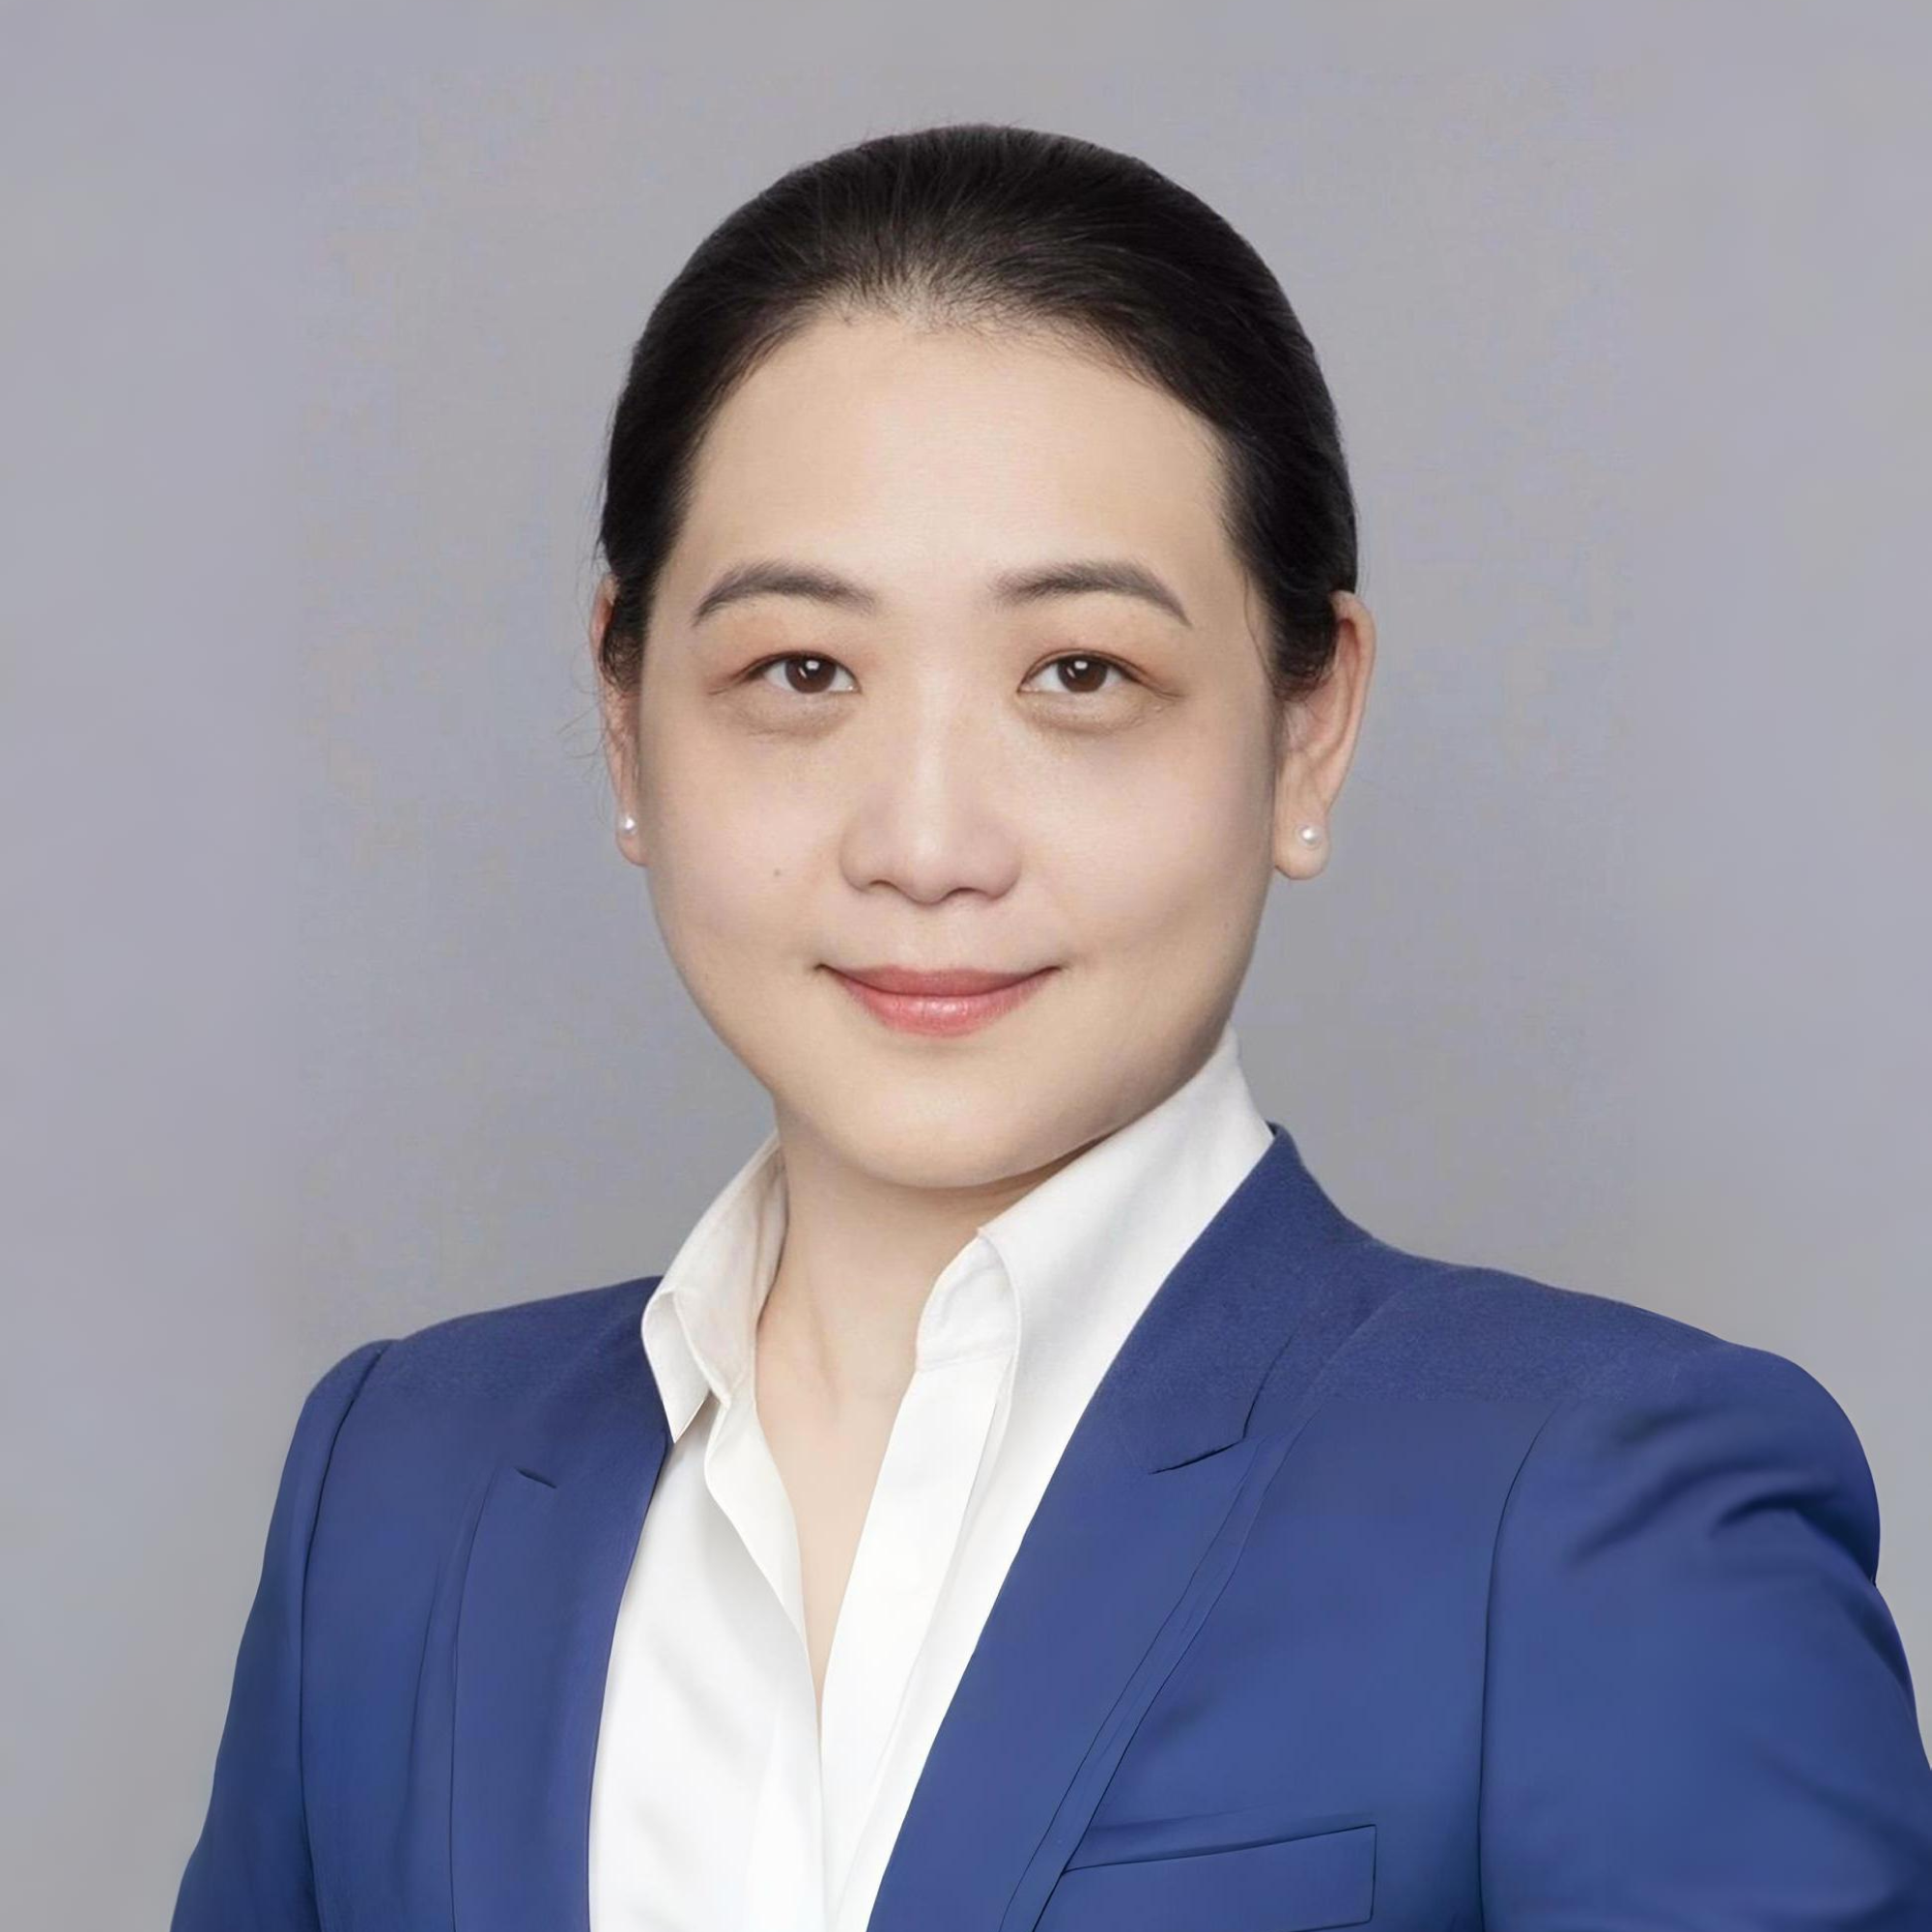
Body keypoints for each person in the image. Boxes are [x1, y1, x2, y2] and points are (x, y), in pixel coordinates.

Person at [172, 122, 1932, 1932]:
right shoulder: (397, 1493)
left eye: (1081, 674)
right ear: (628, 719)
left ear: (1308, 732)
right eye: (801, 672)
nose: (927, 844)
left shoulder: (1603, 1521)